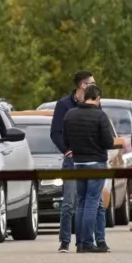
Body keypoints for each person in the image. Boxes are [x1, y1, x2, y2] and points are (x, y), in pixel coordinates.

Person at [62, 84, 115, 253]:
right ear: (98, 99)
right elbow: (108, 142)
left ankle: (80, 243)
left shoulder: (70, 114)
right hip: (96, 163)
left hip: (78, 163)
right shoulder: (100, 116)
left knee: (81, 203)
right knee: (92, 201)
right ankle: (87, 242)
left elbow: (65, 138)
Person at [50, 70, 96, 252]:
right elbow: (55, 132)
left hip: (90, 159)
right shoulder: (63, 105)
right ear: (82, 86)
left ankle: (84, 241)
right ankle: (65, 241)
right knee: (69, 203)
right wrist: (66, 150)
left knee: (87, 203)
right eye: (91, 83)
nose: (95, 86)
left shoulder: (94, 103)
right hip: (72, 160)